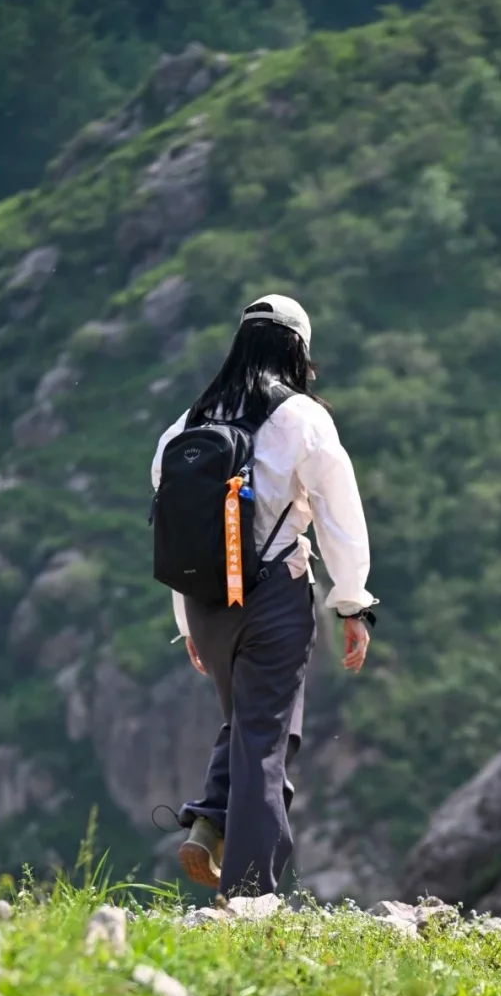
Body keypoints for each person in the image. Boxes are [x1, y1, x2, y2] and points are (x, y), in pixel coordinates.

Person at [151, 294, 376, 896]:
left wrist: (188, 622)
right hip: (273, 596)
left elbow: (176, 533)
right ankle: (249, 893)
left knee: (251, 728)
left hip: (205, 605)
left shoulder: (186, 424)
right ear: (298, 349)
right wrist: (353, 601)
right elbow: (340, 515)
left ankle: (210, 821)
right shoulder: (303, 417)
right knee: (266, 743)